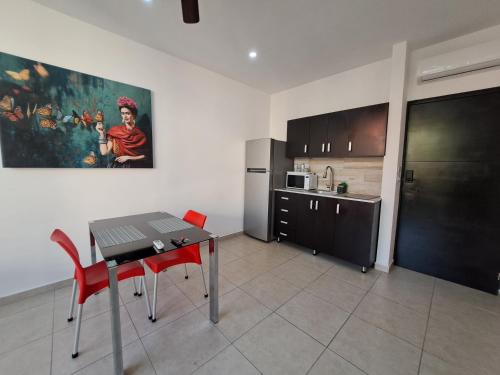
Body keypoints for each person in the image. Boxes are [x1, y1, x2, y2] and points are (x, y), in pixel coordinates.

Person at [96, 96, 147, 167]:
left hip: (134, 167)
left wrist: (129, 157)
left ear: (134, 115)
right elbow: (104, 152)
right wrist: (101, 134)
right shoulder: (115, 131)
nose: (125, 116)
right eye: (122, 113)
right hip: (117, 166)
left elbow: (145, 156)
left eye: (128, 113)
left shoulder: (141, 135)